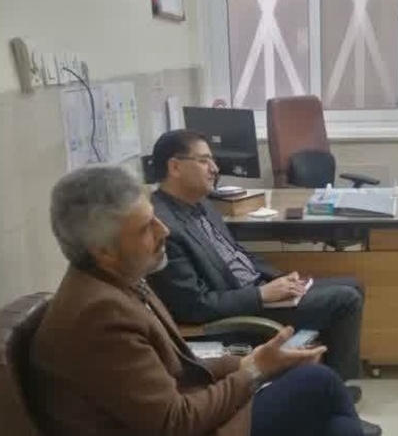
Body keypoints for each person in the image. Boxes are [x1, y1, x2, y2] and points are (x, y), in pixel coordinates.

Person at [30, 165, 376, 436]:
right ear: (103, 251)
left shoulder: (119, 281)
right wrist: (254, 372)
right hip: (187, 426)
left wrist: (249, 361)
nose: (164, 231)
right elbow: (174, 423)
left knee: (335, 425)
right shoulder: (99, 316)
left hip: (189, 409)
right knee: (319, 383)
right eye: (146, 228)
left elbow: (179, 368)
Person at [146, 130, 367, 399]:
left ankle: (324, 381)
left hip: (258, 290)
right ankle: (336, 392)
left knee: (353, 284)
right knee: (346, 300)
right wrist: (263, 294)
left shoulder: (200, 203)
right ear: (175, 167)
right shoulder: (164, 227)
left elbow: (239, 254)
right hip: (238, 310)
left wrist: (281, 279)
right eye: (204, 161)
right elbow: (194, 306)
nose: (215, 168)